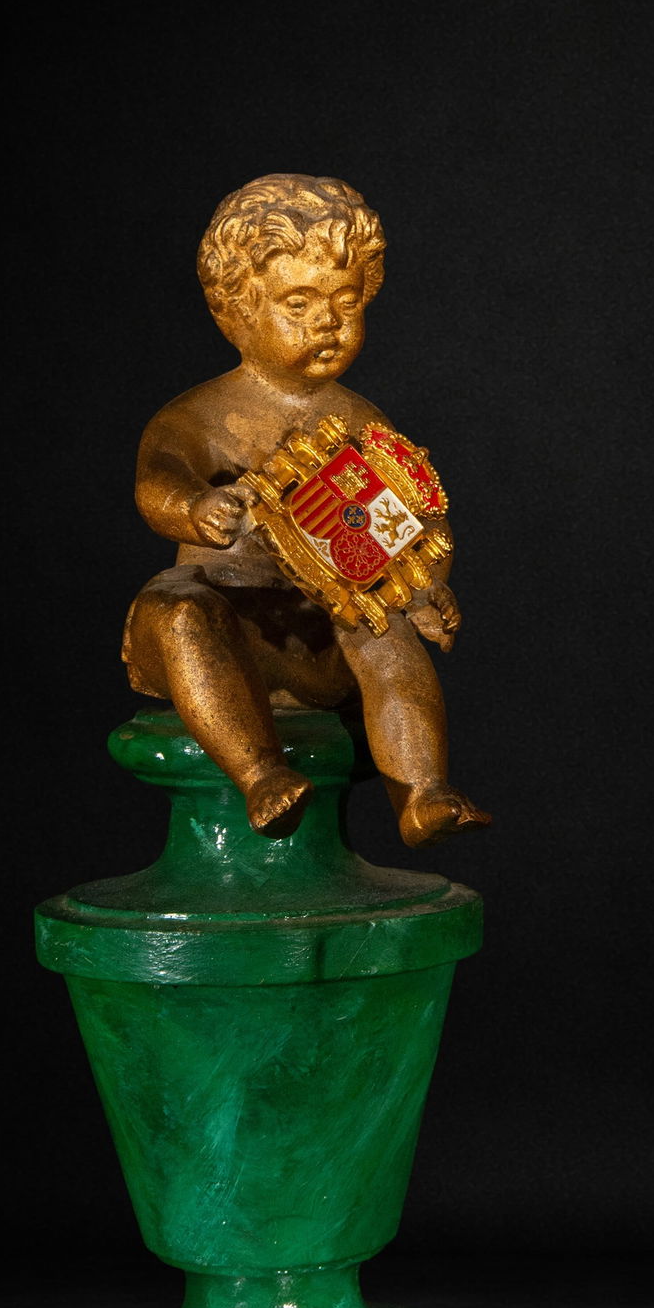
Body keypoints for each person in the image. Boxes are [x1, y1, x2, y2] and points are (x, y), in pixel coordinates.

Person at [122, 173, 490, 846]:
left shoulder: (358, 422)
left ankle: (422, 792)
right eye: (300, 302)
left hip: (318, 630)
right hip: (220, 620)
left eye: (347, 302)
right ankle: (261, 772)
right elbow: (156, 479)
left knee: (383, 631)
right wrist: (195, 506)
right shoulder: (200, 415)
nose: (328, 321)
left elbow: (406, 521)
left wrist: (424, 587)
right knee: (177, 609)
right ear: (235, 309)